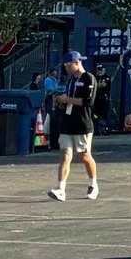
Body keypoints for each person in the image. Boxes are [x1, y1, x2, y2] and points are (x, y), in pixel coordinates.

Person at [46, 49, 98, 201]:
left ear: (76, 63)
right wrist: (60, 101)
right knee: (65, 155)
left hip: (82, 123)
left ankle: (93, 183)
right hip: (67, 123)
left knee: (84, 156)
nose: (66, 69)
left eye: (68, 66)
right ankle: (61, 188)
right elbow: (68, 99)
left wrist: (67, 99)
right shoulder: (70, 80)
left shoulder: (89, 78)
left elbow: (88, 102)